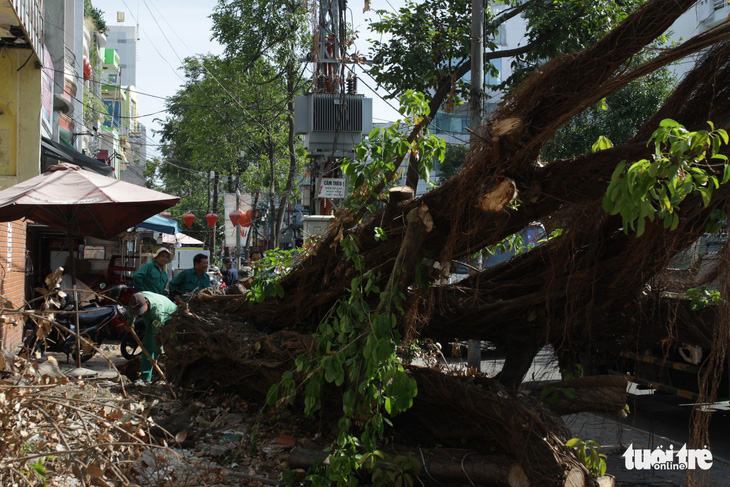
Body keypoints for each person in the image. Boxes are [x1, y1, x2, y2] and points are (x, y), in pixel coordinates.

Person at [127, 291, 177, 383]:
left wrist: (156, 356)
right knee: (148, 346)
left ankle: (172, 375)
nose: (140, 314)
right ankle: (145, 378)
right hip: (150, 316)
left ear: (146, 303)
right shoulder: (135, 301)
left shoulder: (157, 312)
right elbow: (130, 313)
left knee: (169, 344)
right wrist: (130, 322)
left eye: (141, 311)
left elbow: (156, 336)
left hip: (170, 316)